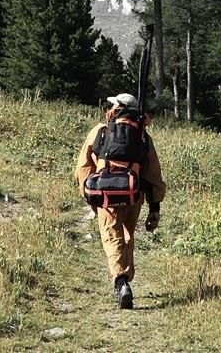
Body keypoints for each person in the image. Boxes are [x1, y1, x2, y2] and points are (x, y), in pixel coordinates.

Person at [74, 93, 166, 309]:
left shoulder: (100, 130)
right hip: (134, 194)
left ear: (117, 108)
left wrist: (89, 195)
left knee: (111, 235)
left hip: (105, 192)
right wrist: (155, 208)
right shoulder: (143, 136)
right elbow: (153, 175)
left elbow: (82, 167)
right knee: (126, 234)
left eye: (113, 103)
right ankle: (126, 277)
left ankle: (120, 280)